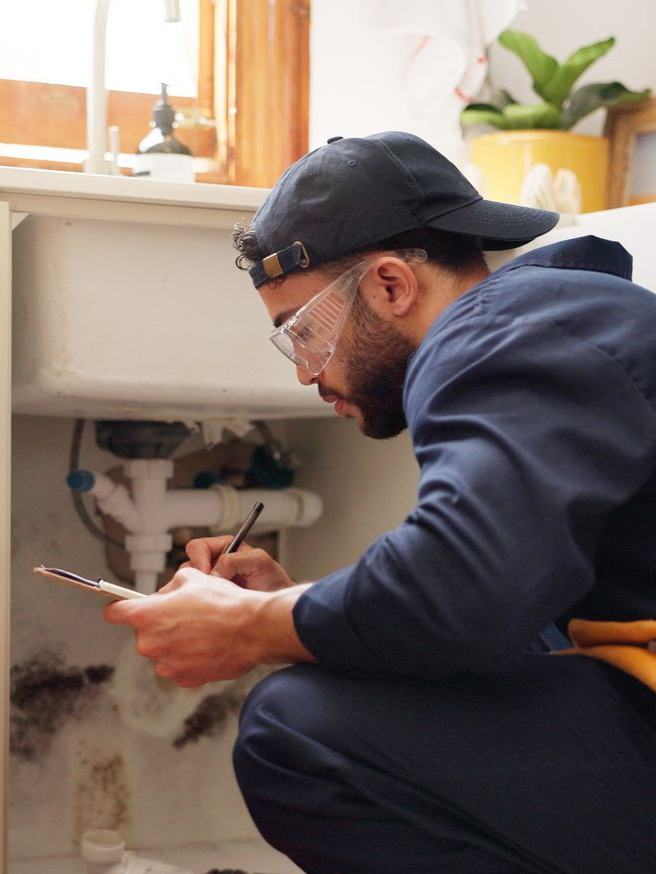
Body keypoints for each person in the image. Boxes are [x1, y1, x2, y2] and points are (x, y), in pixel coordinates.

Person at [104, 132, 656, 874]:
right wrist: (299, 603)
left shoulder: (492, 333)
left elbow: (464, 589)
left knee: (294, 732)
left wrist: (253, 628)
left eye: (302, 331)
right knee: (484, 649)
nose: (305, 373)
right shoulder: (552, 321)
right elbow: (501, 594)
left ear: (391, 285)